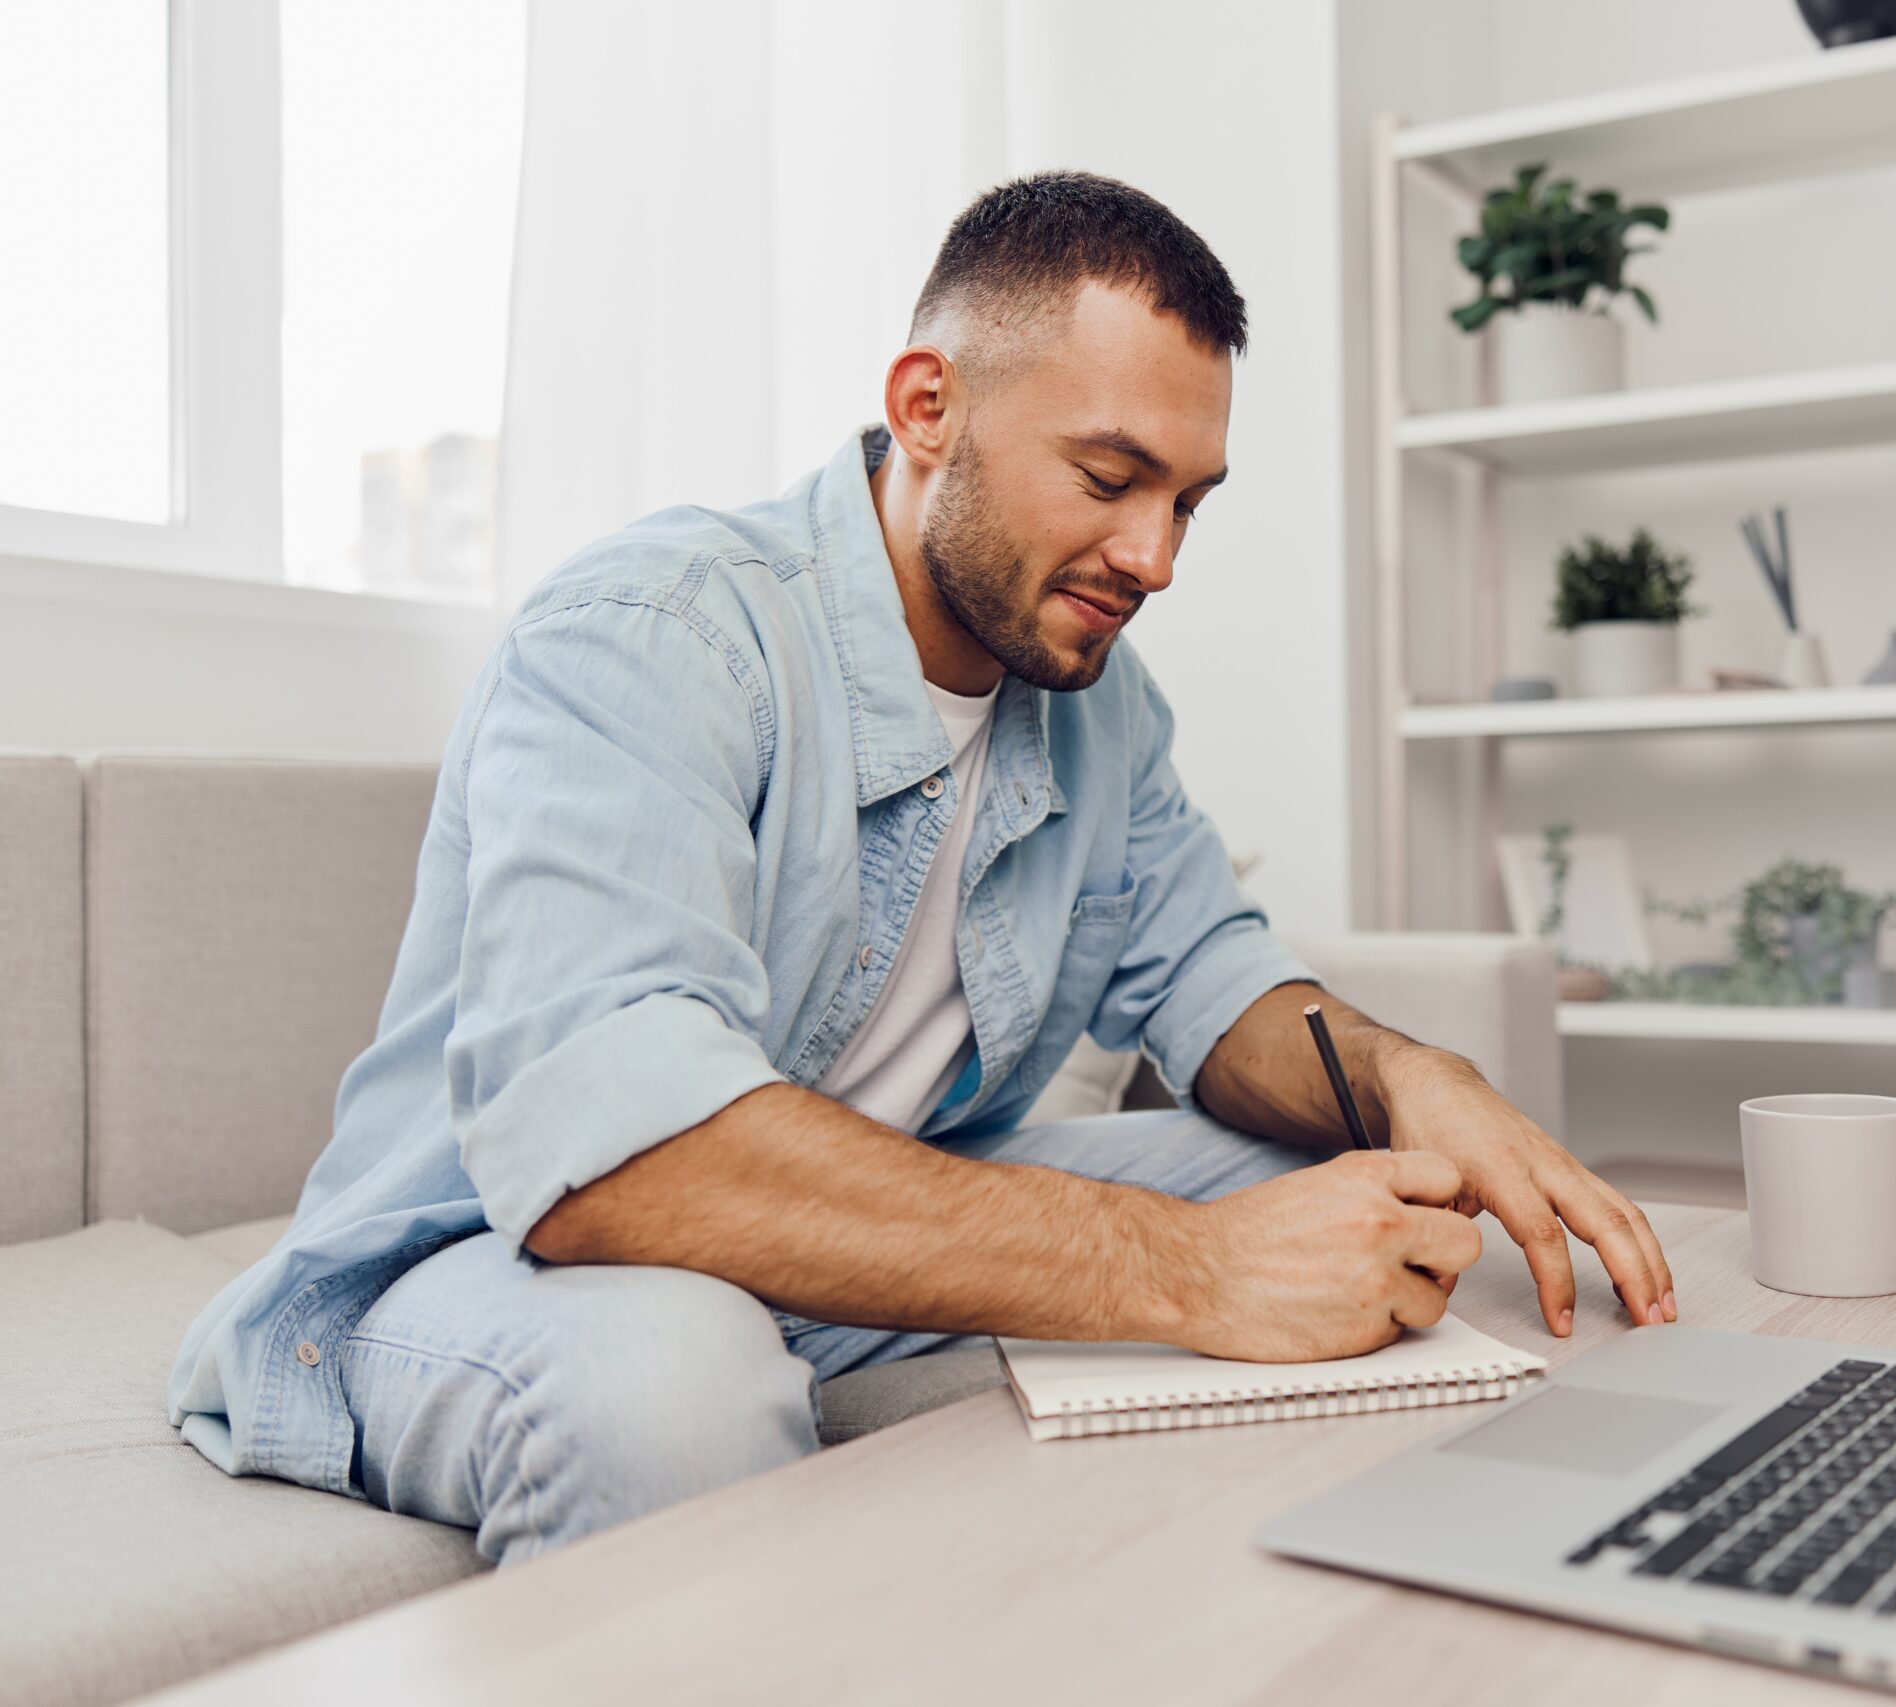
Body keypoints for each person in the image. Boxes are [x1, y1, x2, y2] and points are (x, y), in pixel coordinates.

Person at [169, 170, 1675, 1565]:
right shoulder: (657, 632)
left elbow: (1218, 984)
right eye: (1110, 476)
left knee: (1370, 1187)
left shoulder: (1102, 709)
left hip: (847, 1246)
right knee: (668, 1378)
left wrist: (1414, 1079)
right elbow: (615, 1161)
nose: (1156, 557)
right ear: (929, 404)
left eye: (1190, 501)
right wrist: (1190, 1271)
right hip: (487, 1260)